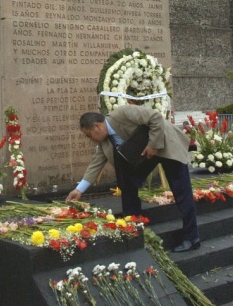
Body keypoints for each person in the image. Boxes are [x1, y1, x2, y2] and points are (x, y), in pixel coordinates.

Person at [66, 103, 200, 253]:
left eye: (88, 135)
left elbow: (155, 117)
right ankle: (135, 230)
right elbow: (96, 164)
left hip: (165, 144)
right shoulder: (104, 141)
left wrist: (153, 144)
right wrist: (79, 190)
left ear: (97, 126)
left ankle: (192, 238)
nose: (90, 139)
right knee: (127, 184)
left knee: (181, 191)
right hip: (146, 154)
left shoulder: (123, 113)